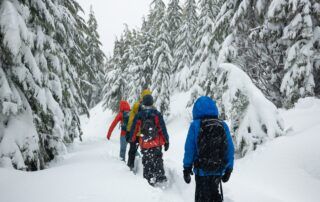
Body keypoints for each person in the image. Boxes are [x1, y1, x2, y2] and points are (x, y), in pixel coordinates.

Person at [183, 96, 234, 202]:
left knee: (202, 197)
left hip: (201, 170)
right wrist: (229, 169)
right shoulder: (222, 125)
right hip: (217, 169)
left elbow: (189, 149)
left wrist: (187, 168)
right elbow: (229, 148)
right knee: (215, 194)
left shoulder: (195, 125)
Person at [128, 94, 169, 186]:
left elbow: (134, 128)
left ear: (143, 103)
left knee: (147, 160)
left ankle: (149, 178)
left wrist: (132, 138)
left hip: (145, 143)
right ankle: (159, 175)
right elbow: (162, 128)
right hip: (156, 143)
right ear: (152, 102)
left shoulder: (139, 114)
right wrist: (166, 141)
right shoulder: (157, 114)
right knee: (158, 158)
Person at [126, 89, 152, 170]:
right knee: (146, 150)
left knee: (132, 150)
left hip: (135, 133)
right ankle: (146, 167)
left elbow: (131, 120)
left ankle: (131, 165)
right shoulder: (149, 107)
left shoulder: (137, 105)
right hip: (144, 134)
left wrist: (128, 131)